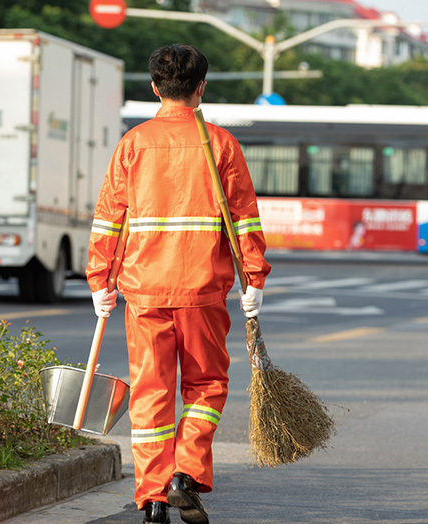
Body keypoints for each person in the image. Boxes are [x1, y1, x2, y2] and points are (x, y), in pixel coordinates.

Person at [86, 44, 270, 524]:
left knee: (151, 394)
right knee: (207, 386)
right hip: (204, 290)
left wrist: (99, 280)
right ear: (201, 88)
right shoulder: (221, 144)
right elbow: (245, 220)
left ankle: (152, 500)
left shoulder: (132, 144)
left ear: (154, 87)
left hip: (143, 291)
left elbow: (109, 221)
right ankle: (186, 474)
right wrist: (255, 277)